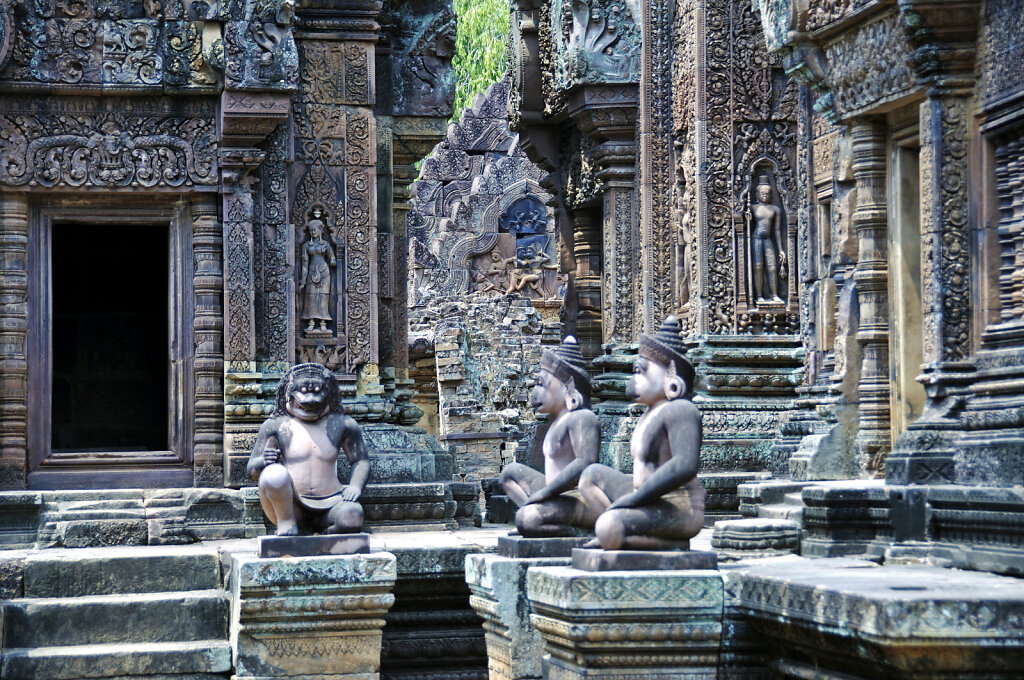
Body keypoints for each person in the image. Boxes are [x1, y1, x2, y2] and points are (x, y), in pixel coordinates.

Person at [578, 316, 704, 550]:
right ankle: (623, 532)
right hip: (646, 498)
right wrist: (633, 499)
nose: (633, 379)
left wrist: (633, 500)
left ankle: (656, 541)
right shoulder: (648, 414)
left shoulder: (681, 410)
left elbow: (685, 465)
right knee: (590, 475)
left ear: (671, 374)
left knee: (608, 526)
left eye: (640, 371)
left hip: (677, 504)